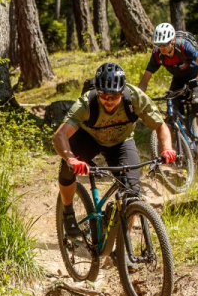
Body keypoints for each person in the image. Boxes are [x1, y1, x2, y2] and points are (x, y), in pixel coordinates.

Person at [53, 63, 176, 237]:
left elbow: (160, 126)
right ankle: (67, 212)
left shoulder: (135, 98)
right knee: (67, 167)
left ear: (122, 91)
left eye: (115, 96)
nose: (109, 100)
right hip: (89, 138)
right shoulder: (87, 102)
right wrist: (71, 159)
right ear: (98, 91)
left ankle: (122, 245)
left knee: (132, 194)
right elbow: (60, 136)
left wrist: (167, 148)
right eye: (104, 95)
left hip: (121, 142)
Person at [137, 22, 198, 157]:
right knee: (172, 108)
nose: (162, 48)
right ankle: (181, 141)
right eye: (159, 45)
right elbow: (145, 79)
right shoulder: (157, 55)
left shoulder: (183, 46)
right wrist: (138, 96)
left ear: (172, 40)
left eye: (165, 44)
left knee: (196, 101)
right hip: (180, 78)